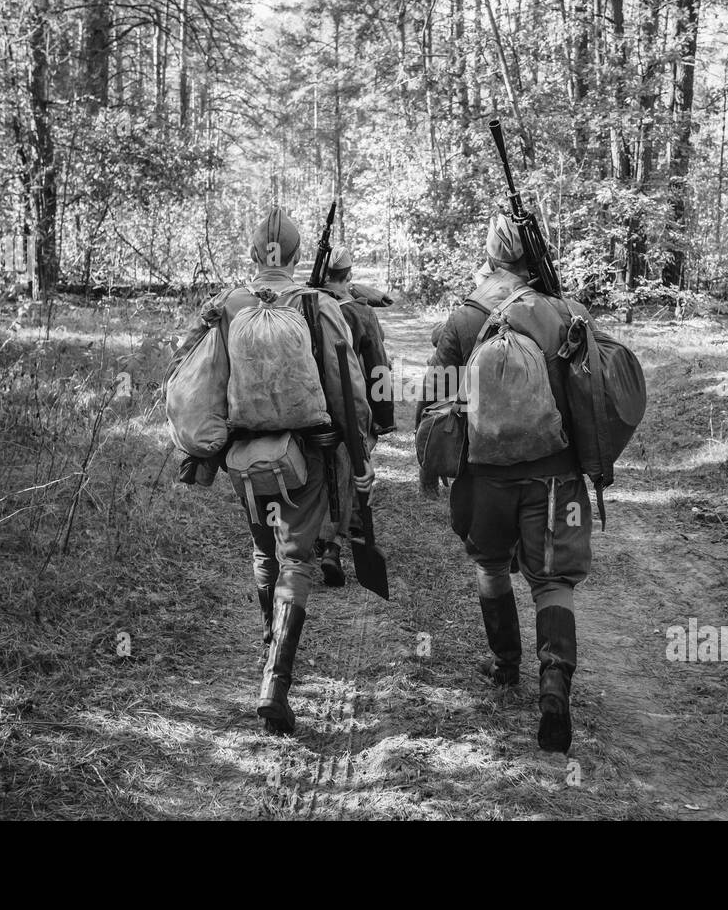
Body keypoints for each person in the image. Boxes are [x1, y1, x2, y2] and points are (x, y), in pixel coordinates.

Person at [193, 207, 375, 735]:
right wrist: (358, 454)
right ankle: (276, 680)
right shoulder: (317, 304)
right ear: (296, 258)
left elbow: (201, 377)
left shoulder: (227, 306)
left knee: (262, 549)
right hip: (308, 457)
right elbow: (350, 390)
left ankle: (269, 646)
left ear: (253, 254)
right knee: (296, 556)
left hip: (246, 458)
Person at [415, 213, 591, 754]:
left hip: (484, 475)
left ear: (491, 254)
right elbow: (589, 401)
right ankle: (554, 686)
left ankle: (505, 665)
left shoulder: (463, 319)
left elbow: (432, 401)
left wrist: (438, 462)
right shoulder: (562, 313)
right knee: (552, 579)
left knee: (491, 565)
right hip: (553, 474)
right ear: (532, 256)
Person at [314, 246, 395, 585]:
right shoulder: (359, 314)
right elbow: (378, 366)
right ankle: (332, 543)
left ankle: (346, 526)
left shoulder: (308, 305)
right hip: (349, 400)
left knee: (325, 470)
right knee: (352, 468)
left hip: (312, 402)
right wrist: (383, 415)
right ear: (347, 276)